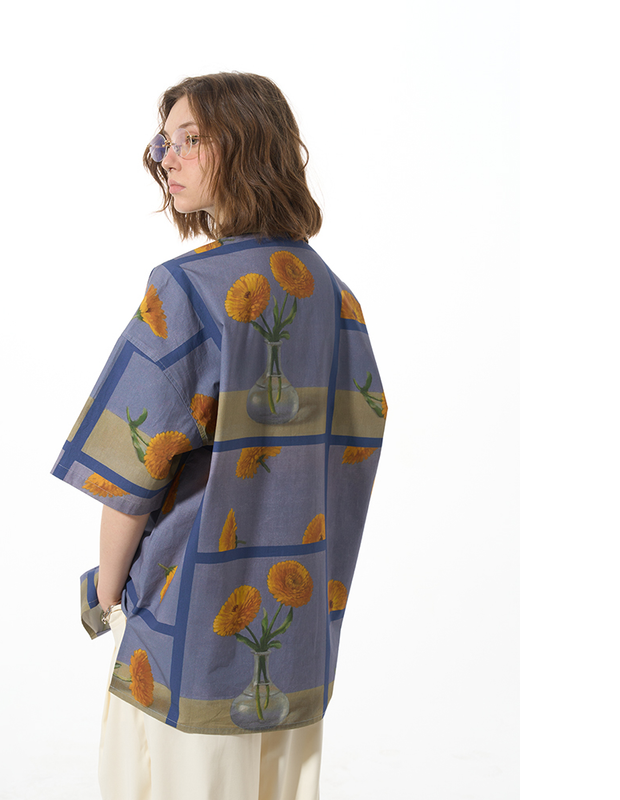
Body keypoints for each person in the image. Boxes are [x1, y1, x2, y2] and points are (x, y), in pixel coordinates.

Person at [51, 72, 387, 800]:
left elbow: (129, 474)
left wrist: (105, 595)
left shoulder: (187, 289)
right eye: (163, 142)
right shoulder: (337, 297)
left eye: (190, 139)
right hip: (298, 649)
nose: (165, 158)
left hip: (187, 643)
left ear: (245, 146)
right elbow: (354, 451)